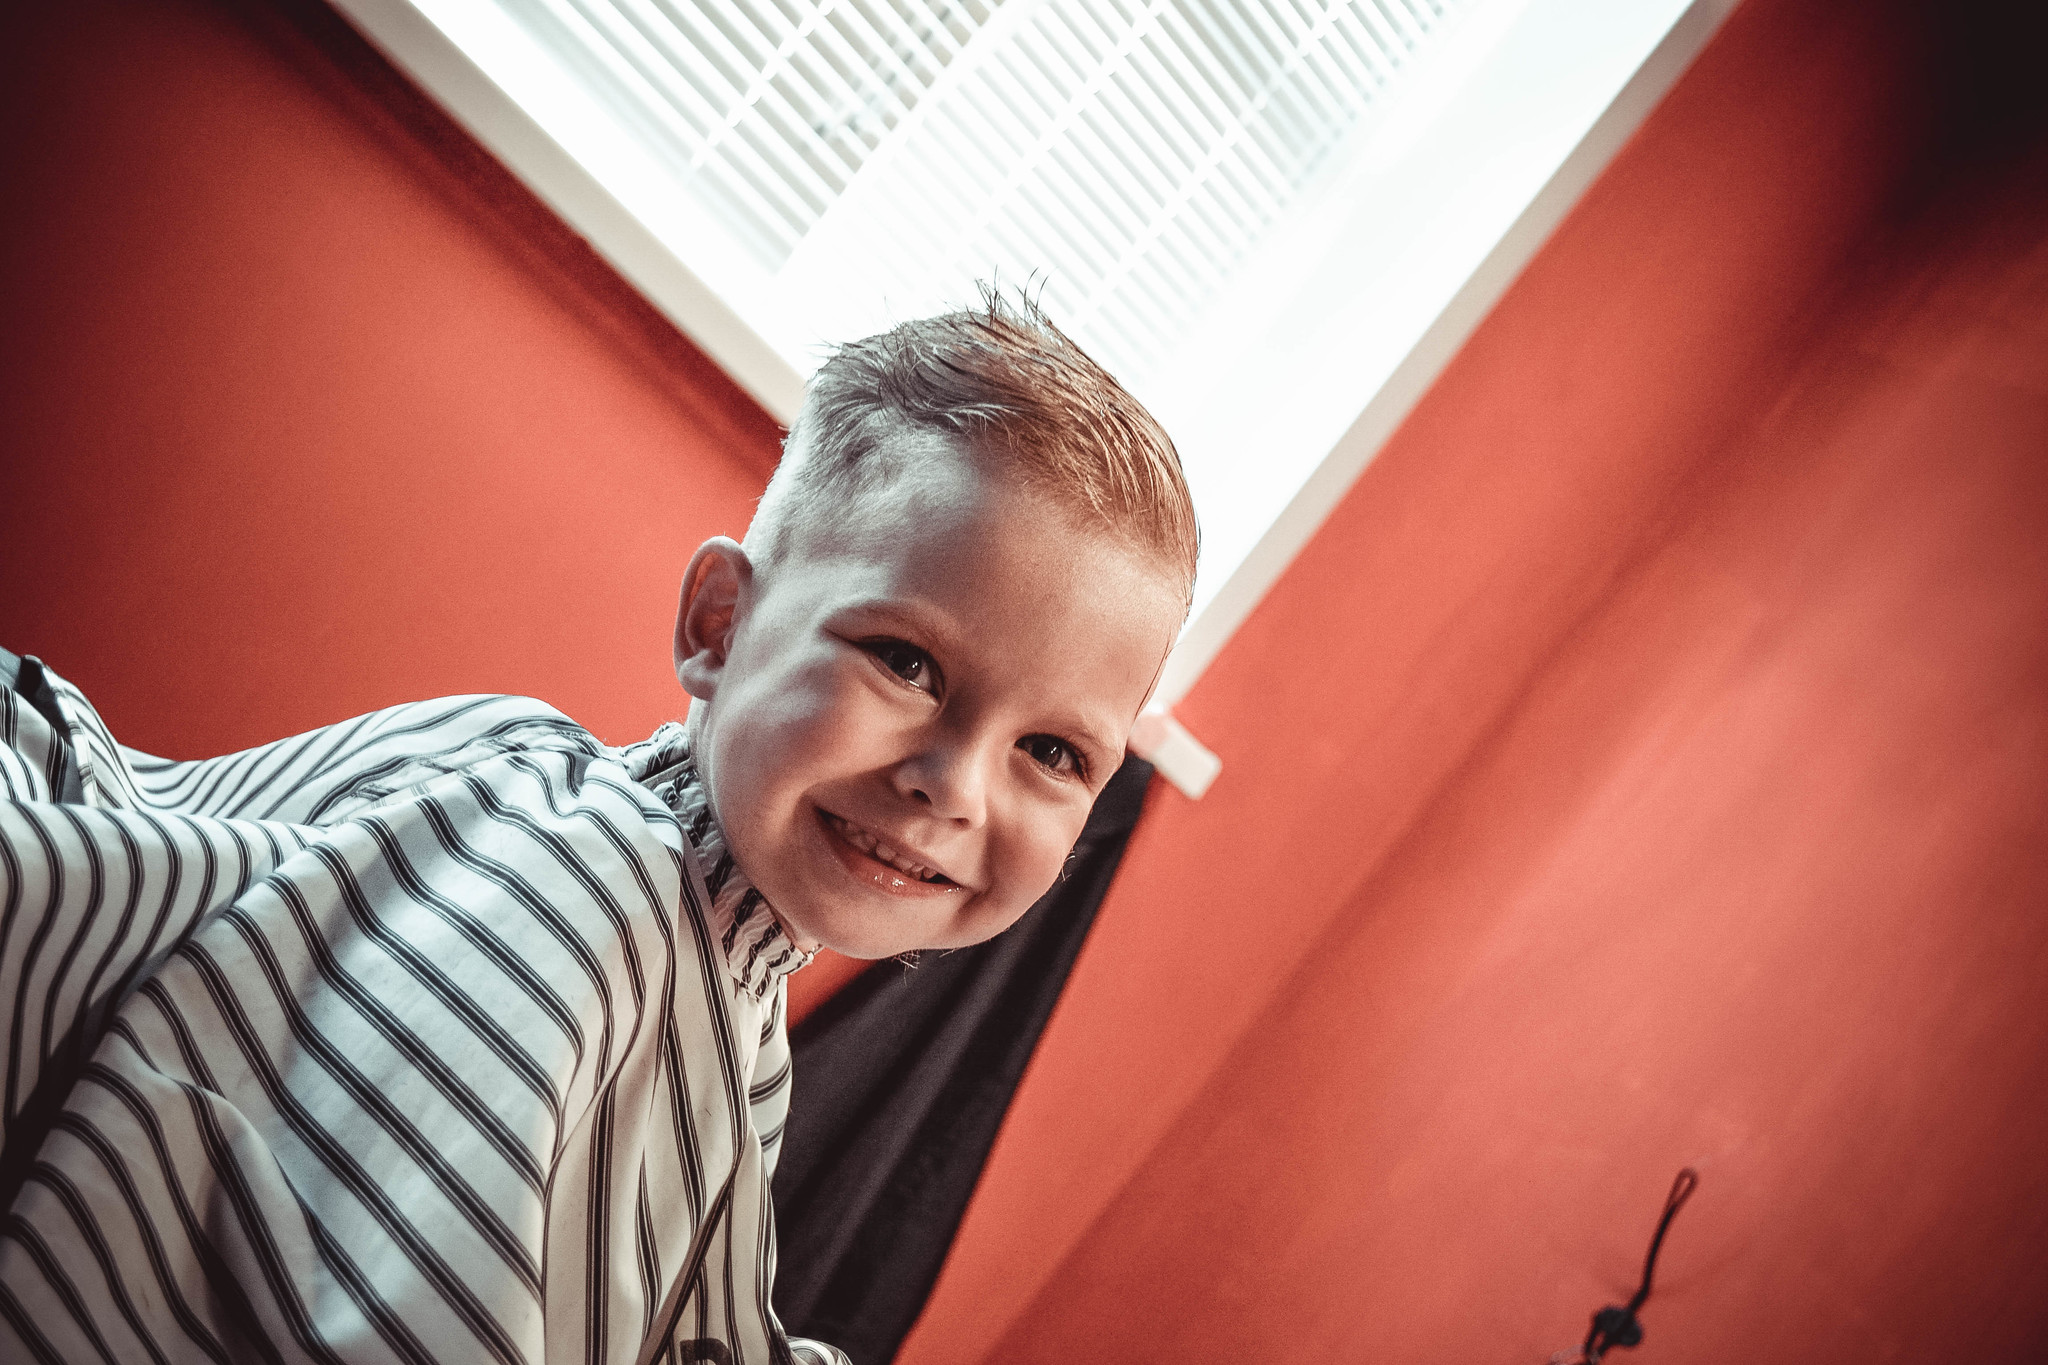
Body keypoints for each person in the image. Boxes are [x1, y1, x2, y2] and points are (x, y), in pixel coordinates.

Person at [0, 293, 1198, 1365]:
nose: (955, 786)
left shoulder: (727, 986)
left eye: (1051, 752)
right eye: (906, 662)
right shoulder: (580, 897)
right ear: (720, 628)